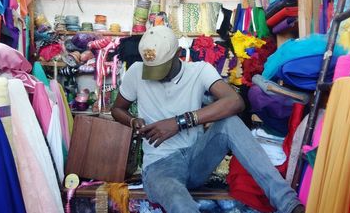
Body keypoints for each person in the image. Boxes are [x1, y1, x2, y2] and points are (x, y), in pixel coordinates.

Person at [111, 26, 304, 213]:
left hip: (196, 159)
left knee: (230, 123)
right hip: (159, 167)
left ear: (178, 53)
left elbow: (235, 102)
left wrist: (180, 122)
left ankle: (289, 204)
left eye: (162, 69)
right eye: (151, 69)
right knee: (181, 205)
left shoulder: (199, 71)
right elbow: (118, 109)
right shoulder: (136, 71)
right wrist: (132, 121)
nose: (156, 76)